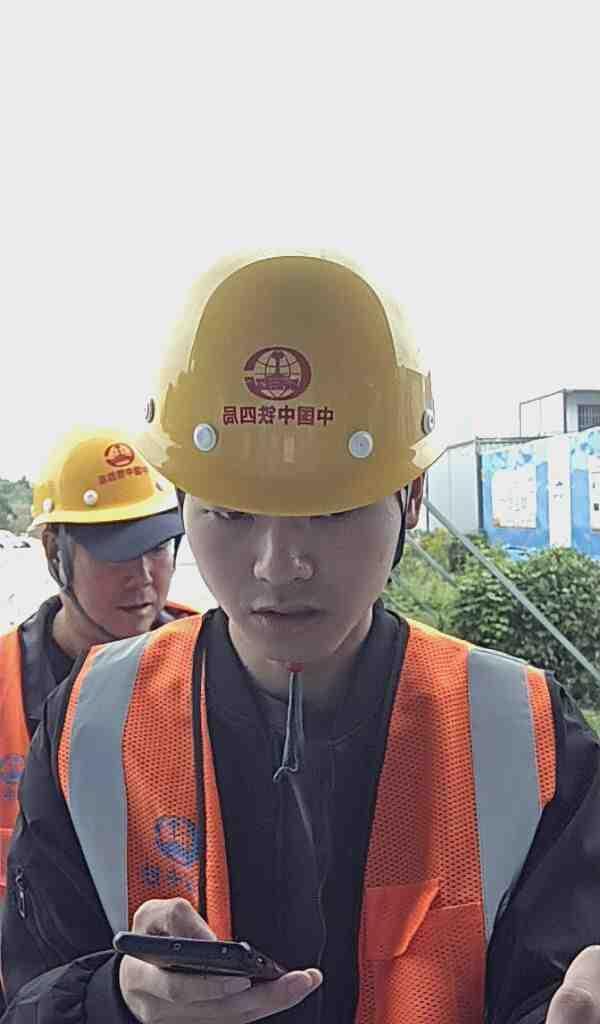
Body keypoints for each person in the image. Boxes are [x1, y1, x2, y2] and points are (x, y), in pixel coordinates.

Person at [1, 253, 600, 1024]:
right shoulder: (91, 727)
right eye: (231, 513)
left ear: (411, 498)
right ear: (183, 503)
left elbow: (557, 980)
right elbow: (30, 993)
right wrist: (113, 1000)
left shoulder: (524, 735)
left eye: (331, 513)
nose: (278, 566)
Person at [0, 428, 195, 903]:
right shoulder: (8, 683)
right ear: (54, 552)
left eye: (157, 547)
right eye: (119, 552)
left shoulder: (214, 663)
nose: (143, 576)